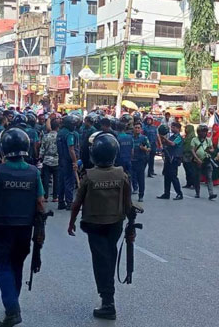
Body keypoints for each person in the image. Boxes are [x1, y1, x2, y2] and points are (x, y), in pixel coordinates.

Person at [0, 128, 45, 327]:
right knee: (17, 265)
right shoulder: (34, 173)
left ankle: (12, 308)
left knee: (3, 267)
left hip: (1, 227)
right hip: (25, 228)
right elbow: (41, 202)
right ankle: (12, 303)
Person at [68, 133, 133, 321]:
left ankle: (107, 301)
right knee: (109, 257)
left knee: (100, 261)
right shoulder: (122, 175)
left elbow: (77, 202)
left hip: (94, 225)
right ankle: (108, 297)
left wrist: (71, 222)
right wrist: (131, 227)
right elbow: (128, 204)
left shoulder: (89, 176)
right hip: (115, 224)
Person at [56, 115, 80, 210]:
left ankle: (61, 202)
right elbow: (71, 149)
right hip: (68, 160)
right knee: (69, 182)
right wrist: (75, 162)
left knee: (61, 181)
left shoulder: (60, 133)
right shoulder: (70, 134)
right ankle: (69, 202)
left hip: (61, 159)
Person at [158, 122, 184, 200]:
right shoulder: (172, 136)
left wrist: (164, 138)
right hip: (168, 158)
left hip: (174, 159)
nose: (172, 129)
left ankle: (179, 193)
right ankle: (166, 193)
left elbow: (172, 144)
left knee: (173, 177)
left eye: (174, 127)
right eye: (172, 127)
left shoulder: (179, 137)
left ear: (178, 129)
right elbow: (165, 144)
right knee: (167, 176)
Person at [190, 125, 217, 200]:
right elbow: (192, 150)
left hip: (206, 160)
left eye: (205, 131)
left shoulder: (208, 140)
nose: (204, 133)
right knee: (197, 178)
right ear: (199, 132)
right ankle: (197, 192)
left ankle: (211, 193)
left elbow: (212, 149)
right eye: (203, 131)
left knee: (209, 177)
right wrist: (197, 159)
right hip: (197, 162)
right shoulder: (194, 140)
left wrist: (210, 150)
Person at [39, 118, 59, 202]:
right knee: (56, 180)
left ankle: (45, 196)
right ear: (57, 127)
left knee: (46, 179)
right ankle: (55, 197)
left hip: (46, 160)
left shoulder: (45, 136)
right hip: (57, 160)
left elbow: (42, 148)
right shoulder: (59, 136)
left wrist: (40, 157)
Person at [131, 122, 150, 202]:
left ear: (141, 129)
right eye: (135, 127)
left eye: (138, 128)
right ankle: (134, 188)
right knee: (131, 177)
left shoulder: (144, 138)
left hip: (141, 161)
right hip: (131, 161)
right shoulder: (130, 138)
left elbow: (149, 149)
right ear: (133, 128)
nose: (137, 129)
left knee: (141, 179)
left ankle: (141, 195)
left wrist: (144, 149)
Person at [114, 121, 134, 187]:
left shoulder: (116, 138)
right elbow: (132, 151)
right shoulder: (130, 137)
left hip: (119, 161)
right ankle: (128, 190)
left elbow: (115, 151)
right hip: (128, 160)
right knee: (128, 177)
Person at [182, 124, 197, 190]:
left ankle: (193, 184)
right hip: (185, 156)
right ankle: (188, 183)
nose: (185, 130)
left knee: (191, 171)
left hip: (191, 156)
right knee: (187, 170)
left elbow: (192, 147)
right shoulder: (186, 137)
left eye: (187, 128)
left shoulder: (193, 138)